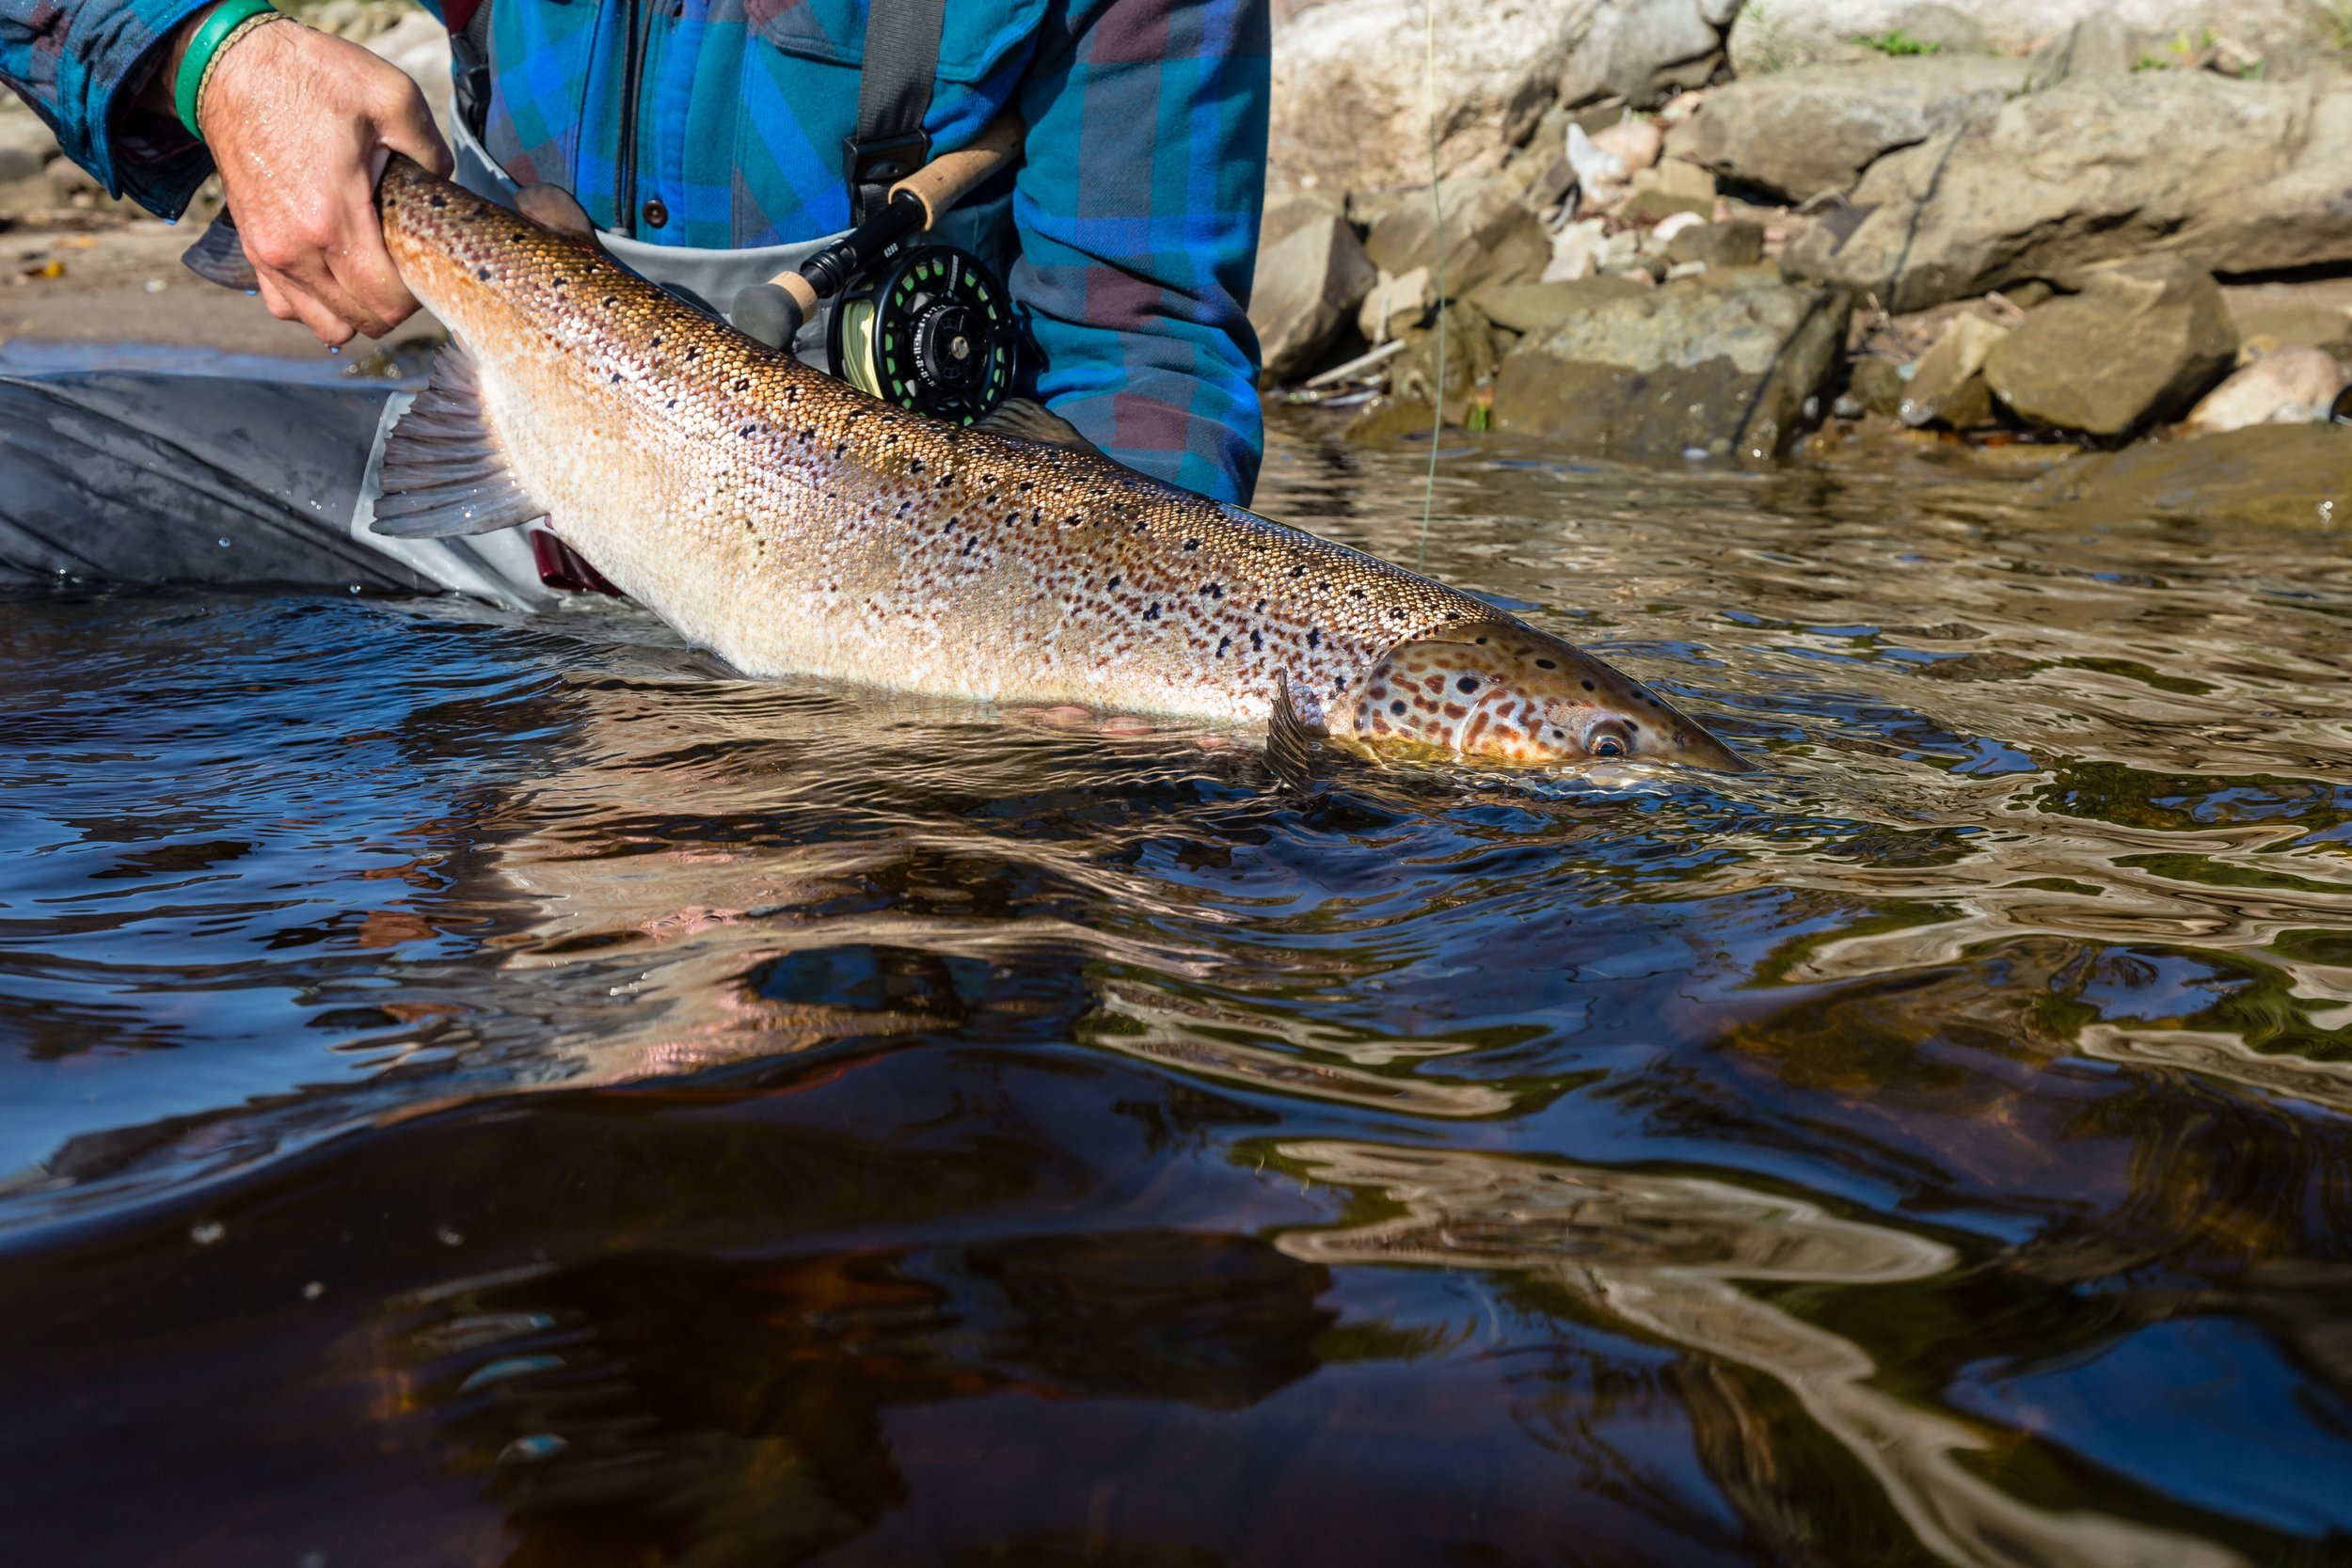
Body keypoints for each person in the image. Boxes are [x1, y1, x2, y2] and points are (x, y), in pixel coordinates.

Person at [0, 0, 1270, 595]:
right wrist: (217, 60)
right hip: (499, 482)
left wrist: (1090, 677)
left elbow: (1142, 358)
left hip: (879, 568)